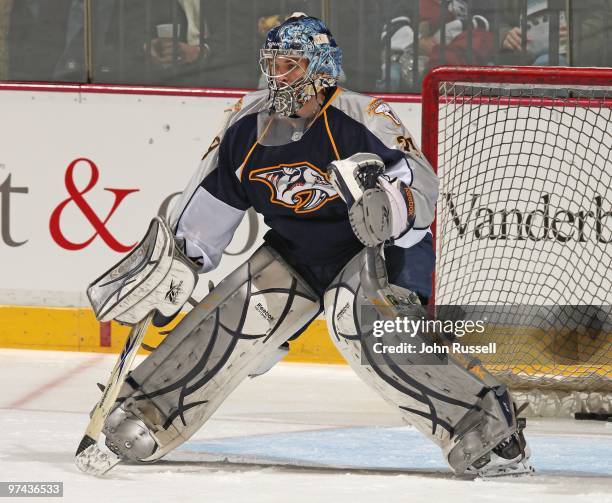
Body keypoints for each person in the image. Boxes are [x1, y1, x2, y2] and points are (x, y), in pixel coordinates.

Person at [87, 13, 532, 477]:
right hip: (297, 251)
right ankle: (146, 414)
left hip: (376, 252)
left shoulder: (363, 118)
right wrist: (176, 264)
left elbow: (419, 188)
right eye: (272, 64)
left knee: (361, 326)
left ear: (321, 68)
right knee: (237, 314)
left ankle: (491, 429)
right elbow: (211, 200)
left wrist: (390, 204)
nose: (277, 76)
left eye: (291, 65)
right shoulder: (247, 125)